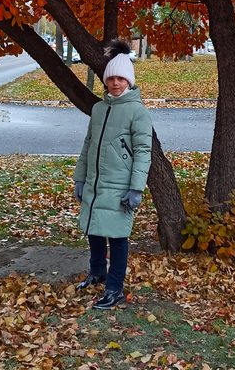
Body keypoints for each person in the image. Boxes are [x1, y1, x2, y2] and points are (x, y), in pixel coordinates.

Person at [73, 39, 152, 309]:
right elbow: (88, 144)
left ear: (129, 82)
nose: (115, 83)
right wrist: (80, 178)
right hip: (96, 184)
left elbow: (143, 151)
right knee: (95, 230)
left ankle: (115, 287)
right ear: (105, 81)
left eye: (121, 78)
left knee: (117, 237)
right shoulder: (98, 109)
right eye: (111, 78)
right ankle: (97, 273)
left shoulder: (137, 112)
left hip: (120, 187)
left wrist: (136, 188)